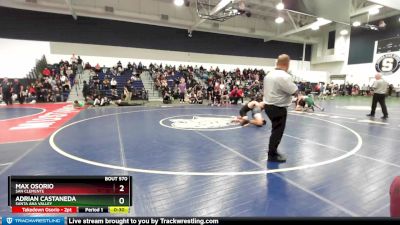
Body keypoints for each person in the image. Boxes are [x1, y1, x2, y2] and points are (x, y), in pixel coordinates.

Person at [263, 54, 298, 163]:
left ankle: (273, 150)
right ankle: (272, 155)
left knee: (275, 130)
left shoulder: (269, 74)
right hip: (278, 108)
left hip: (268, 106)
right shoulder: (284, 76)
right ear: (287, 64)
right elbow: (294, 91)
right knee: (277, 132)